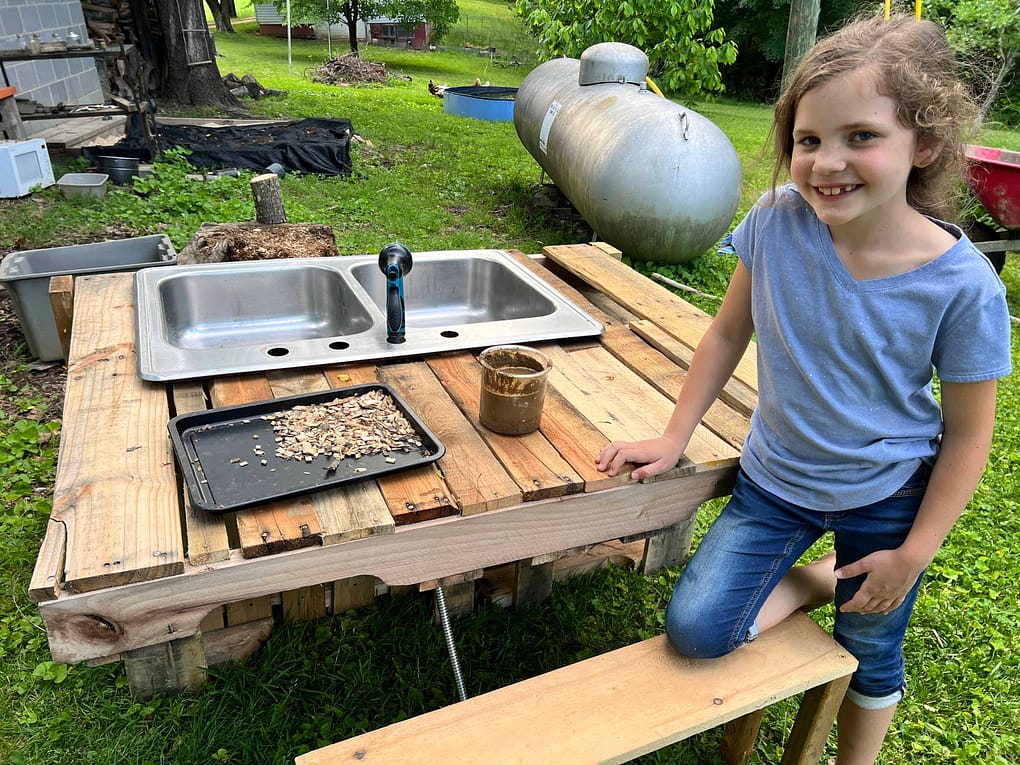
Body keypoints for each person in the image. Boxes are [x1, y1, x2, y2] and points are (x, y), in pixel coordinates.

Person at [596, 14, 1012, 765]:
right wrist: (673, 435)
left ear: (925, 146)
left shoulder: (960, 286)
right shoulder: (776, 222)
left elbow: (969, 436)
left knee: (871, 647)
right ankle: (825, 576)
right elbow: (728, 332)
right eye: (808, 139)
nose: (826, 161)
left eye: (861, 136)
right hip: (776, 480)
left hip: (886, 495)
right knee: (696, 630)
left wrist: (913, 554)